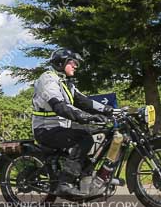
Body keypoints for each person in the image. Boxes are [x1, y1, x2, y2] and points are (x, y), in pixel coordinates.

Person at [31, 49, 113, 197]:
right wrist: (86, 117)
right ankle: (65, 183)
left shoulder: (66, 82)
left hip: (61, 127)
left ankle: (86, 178)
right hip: (46, 129)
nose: (76, 66)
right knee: (84, 138)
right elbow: (60, 106)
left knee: (96, 133)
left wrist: (110, 110)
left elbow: (85, 101)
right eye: (73, 62)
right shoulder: (48, 80)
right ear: (61, 62)